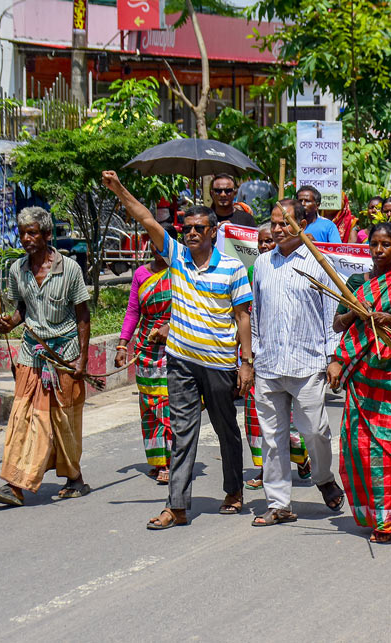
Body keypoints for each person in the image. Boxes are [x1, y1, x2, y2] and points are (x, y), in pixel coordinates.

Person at [102, 171, 253, 529]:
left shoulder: (232, 269)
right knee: (183, 430)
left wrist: (245, 363)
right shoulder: (177, 258)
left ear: (214, 231)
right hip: (181, 361)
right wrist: (119, 189)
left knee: (225, 428)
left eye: (200, 228)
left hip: (219, 364)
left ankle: (233, 489)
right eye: (187, 228)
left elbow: (243, 316)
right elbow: (145, 218)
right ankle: (178, 506)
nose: (192, 233)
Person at [329, 223, 391, 544]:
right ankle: (372, 511)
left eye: (386, 244)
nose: (378, 250)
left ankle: (390, 520)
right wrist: (356, 316)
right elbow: (338, 325)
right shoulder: (357, 285)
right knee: (361, 448)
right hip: (362, 379)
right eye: (374, 244)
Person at [0, 207, 91, 507]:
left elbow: (83, 315)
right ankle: (16, 483)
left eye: (32, 233)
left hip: (64, 356)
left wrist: (82, 359)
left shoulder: (69, 269)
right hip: (31, 353)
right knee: (26, 418)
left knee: (62, 420)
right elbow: (22, 309)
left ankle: (74, 477)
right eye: (22, 234)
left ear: (46, 235)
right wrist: (10, 322)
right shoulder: (18, 269)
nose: (26, 239)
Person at [248, 200, 345, 526]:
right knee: (272, 437)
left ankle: (323, 477)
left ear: (302, 224)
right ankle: (278, 504)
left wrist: (334, 359)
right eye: (274, 223)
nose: (277, 229)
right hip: (269, 364)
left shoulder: (321, 264)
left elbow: (332, 315)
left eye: (284, 223)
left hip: (308, 363)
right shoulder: (262, 264)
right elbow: (256, 314)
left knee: (316, 431)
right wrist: (252, 356)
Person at [243, 224, 311, 489]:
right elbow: (248, 311)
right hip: (259, 352)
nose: (264, 246)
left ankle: (302, 456)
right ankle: (264, 470)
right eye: (260, 242)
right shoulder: (255, 269)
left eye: (269, 241)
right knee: (256, 416)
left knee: (294, 420)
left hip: (294, 353)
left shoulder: (299, 266)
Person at [116, 223, 178, 485]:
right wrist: (122, 344)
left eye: (162, 243)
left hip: (176, 347)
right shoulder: (141, 274)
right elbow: (133, 311)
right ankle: (156, 459)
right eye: (153, 243)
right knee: (149, 406)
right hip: (146, 348)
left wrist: (169, 327)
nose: (157, 248)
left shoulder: (181, 272)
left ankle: (172, 460)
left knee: (168, 403)